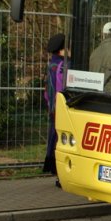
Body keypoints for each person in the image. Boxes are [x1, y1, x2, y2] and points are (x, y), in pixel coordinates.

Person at [43, 33, 67, 176]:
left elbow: (47, 91)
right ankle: (59, 170)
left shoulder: (51, 64)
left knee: (53, 135)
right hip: (61, 107)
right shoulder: (64, 66)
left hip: (53, 107)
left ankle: (51, 164)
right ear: (62, 50)